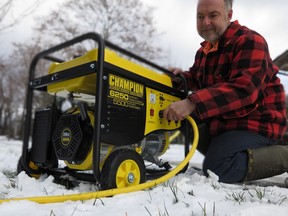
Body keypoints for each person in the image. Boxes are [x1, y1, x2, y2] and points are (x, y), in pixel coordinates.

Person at [163, 0, 287, 183]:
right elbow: (198, 79)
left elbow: (245, 89)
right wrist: (180, 79)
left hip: (257, 123)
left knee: (219, 168)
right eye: (200, 17)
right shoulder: (204, 51)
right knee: (180, 120)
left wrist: (192, 102)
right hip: (225, 123)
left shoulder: (250, 41)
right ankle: (226, 151)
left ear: (229, 16)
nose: (205, 22)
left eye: (213, 15)